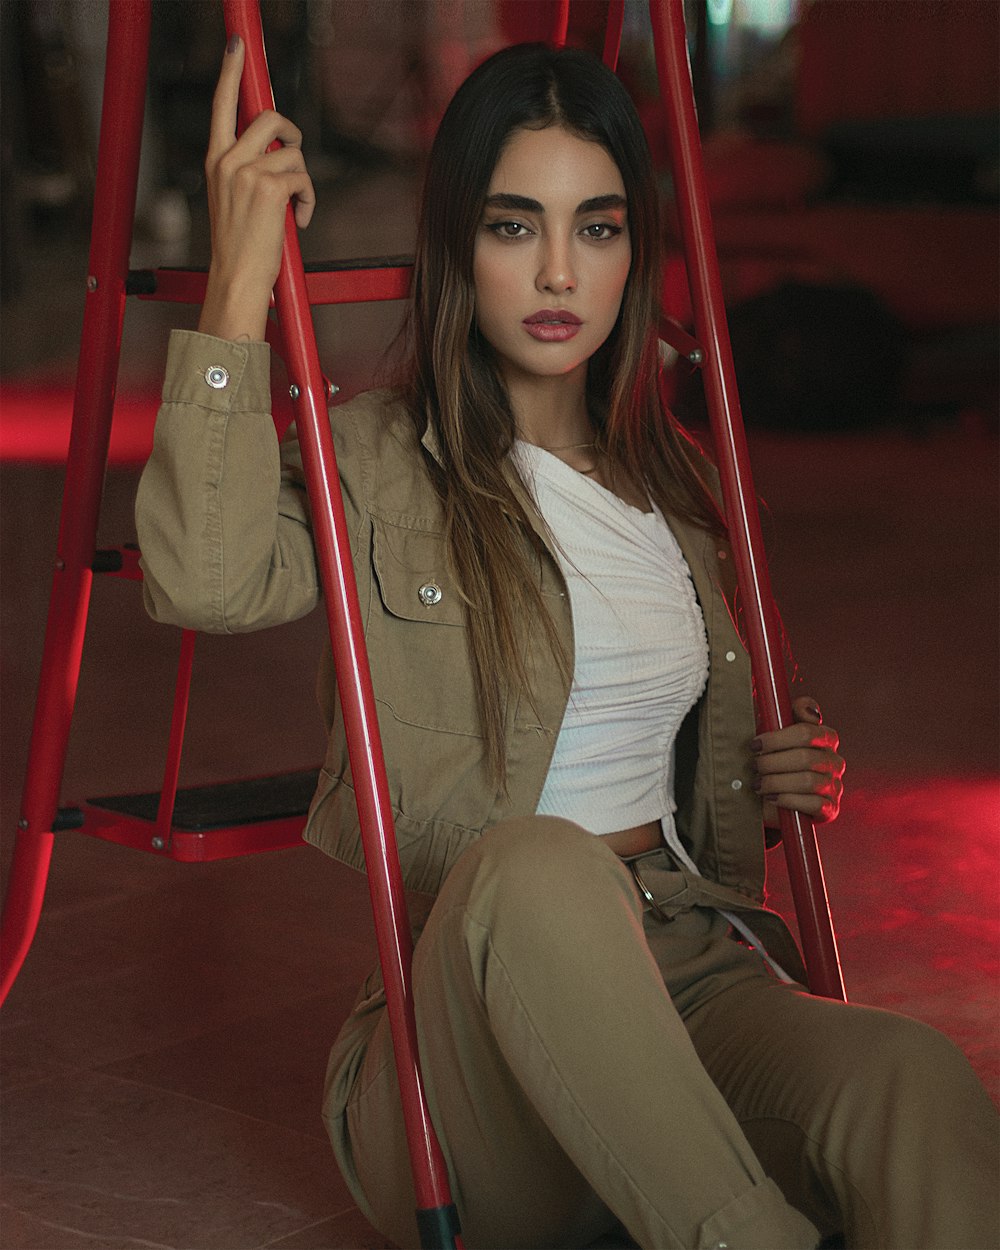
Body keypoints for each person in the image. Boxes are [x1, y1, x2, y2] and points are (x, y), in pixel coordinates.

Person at [135, 35, 999, 1250]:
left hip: (685, 965)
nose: (555, 269)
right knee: (535, 866)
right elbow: (198, 578)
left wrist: (770, 767)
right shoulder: (382, 457)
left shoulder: (676, 481)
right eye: (511, 225)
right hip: (472, 1050)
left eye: (594, 227)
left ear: (633, 252)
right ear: (458, 247)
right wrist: (237, 277)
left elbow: (662, 745)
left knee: (909, 1080)